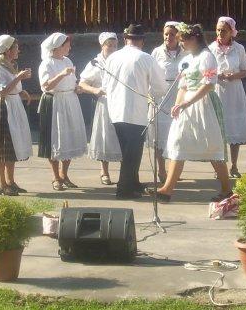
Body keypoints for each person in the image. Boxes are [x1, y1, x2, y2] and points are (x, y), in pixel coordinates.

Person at [148, 23, 232, 202]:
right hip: (186, 107)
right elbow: (183, 86)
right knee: (178, 143)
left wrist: (187, 103)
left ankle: (227, 189)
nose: (181, 43)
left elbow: (209, 85)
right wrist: (177, 105)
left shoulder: (207, 57)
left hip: (204, 105)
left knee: (212, 147)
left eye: (183, 40)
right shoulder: (187, 59)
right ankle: (166, 190)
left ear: (194, 39)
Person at [103, 24, 167, 199]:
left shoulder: (113, 57)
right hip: (135, 112)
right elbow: (160, 87)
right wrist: (151, 92)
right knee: (132, 153)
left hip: (116, 111)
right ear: (142, 41)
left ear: (125, 39)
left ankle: (133, 183)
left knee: (128, 150)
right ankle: (124, 190)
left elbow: (105, 85)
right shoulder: (146, 58)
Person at [37, 32, 86, 190]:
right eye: (67, 45)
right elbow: (46, 86)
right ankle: (55, 176)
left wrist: (77, 87)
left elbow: (72, 81)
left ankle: (64, 174)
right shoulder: (46, 64)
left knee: (69, 138)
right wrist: (61, 74)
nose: (69, 48)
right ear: (58, 47)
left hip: (70, 101)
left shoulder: (68, 61)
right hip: (55, 102)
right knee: (55, 139)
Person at [0, 35, 33, 196]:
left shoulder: (9, 65)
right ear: (8, 50)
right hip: (4, 106)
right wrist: (19, 77)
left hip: (14, 104)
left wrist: (21, 91)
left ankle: (10, 181)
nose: (18, 50)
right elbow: (2, 91)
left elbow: (11, 86)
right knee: (3, 146)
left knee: (12, 145)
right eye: (16, 48)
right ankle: (1, 184)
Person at [209, 16, 246, 177]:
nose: (220, 33)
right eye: (218, 30)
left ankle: (234, 166)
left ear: (231, 32)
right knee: (217, 130)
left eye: (224, 30)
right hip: (217, 90)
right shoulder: (210, 49)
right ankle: (219, 168)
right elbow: (205, 71)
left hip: (234, 92)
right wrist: (218, 75)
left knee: (234, 128)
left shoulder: (239, 48)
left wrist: (234, 76)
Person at [78, 32, 122, 185]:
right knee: (105, 136)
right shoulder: (95, 63)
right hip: (105, 103)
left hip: (121, 102)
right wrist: (95, 90)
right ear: (102, 46)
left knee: (123, 135)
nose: (112, 48)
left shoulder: (121, 60)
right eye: (109, 45)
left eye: (115, 45)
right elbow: (82, 83)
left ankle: (125, 173)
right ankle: (104, 171)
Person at [149, 21, 184, 184]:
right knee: (160, 135)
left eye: (172, 34)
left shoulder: (185, 52)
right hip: (161, 96)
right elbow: (150, 74)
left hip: (179, 95)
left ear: (178, 36)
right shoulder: (156, 52)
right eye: (166, 34)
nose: (168, 37)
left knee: (177, 135)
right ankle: (162, 170)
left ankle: (173, 170)